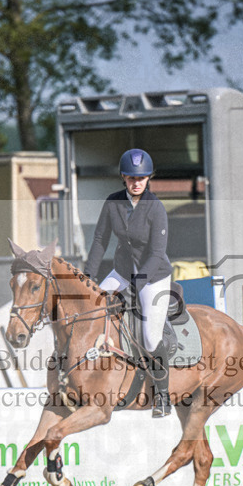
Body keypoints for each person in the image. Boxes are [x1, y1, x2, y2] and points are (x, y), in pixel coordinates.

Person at [83, 149, 173, 417]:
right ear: (123, 177)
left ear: (149, 178)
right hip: (122, 271)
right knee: (92, 307)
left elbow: (157, 254)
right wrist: (88, 278)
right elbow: (100, 241)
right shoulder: (112, 203)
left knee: (150, 336)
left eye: (142, 178)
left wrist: (138, 285)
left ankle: (163, 396)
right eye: (132, 178)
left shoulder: (156, 208)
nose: (136, 182)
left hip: (153, 277)